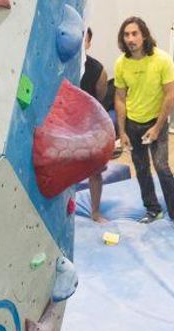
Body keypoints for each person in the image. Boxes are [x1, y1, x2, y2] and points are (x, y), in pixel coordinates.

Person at [114, 16, 174, 233]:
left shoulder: (162, 60)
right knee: (141, 169)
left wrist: (157, 127)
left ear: (144, 35)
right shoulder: (121, 64)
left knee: (162, 167)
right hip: (133, 124)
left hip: (156, 122)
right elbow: (120, 98)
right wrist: (122, 132)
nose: (130, 39)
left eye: (134, 34)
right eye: (126, 35)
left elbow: (171, 95)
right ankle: (152, 209)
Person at [81, 27, 110, 223]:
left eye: (85, 39)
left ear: (89, 43)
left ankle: (95, 212)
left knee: (95, 170)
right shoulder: (59, 64)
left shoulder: (98, 70)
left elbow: (100, 102)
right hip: (63, 124)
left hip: (89, 125)